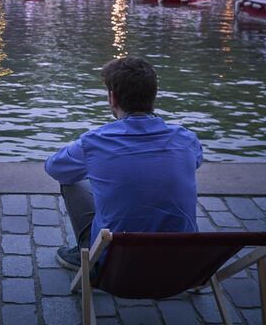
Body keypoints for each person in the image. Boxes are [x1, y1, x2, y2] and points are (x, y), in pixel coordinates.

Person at [45, 57, 203, 270]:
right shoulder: (186, 139)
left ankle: (87, 253)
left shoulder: (95, 142)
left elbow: (55, 168)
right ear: (153, 96)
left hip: (116, 263)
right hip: (179, 261)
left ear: (112, 98)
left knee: (72, 184)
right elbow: (196, 162)